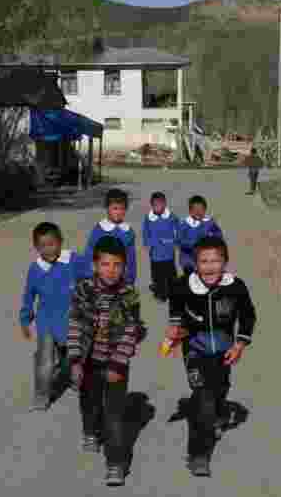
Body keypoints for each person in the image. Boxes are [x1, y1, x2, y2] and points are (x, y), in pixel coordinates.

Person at [166, 236, 256, 477]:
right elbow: (175, 303)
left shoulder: (235, 286)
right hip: (195, 350)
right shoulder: (184, 285)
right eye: (203, 261)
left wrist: (239, 344)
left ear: (225, 261)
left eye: (215, 261)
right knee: (203, 399)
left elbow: (248, 315)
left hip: (224, 352)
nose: (209, 266)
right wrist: (175, 326)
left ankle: (219, 411)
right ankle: (199, 454)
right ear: (195, 263)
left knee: (220, 389)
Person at [68, 236, 147, 487]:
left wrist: (117, 365)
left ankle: (115, 463)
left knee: (114, 415)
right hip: (89, 361)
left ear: (124, 267)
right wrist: (75, 360)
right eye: (105, 264)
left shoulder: (129, 294)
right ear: (94, 265)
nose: (111, 270)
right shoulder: (84, 291)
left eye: (117, 265)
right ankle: (90, 431)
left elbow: (131, 331)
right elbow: (75, 326)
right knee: (89, 401)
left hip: (116, 365)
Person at [18, 222, 92, 411]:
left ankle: (76, 379)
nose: (48, 249)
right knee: (45, 361)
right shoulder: (36, 269)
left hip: (74, 321)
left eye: (52, 244)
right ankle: (42, 397)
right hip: (47, 324)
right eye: (42, 246)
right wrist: (25, 319)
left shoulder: (73, 260)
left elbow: (92, 277)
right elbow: (28, 296)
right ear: (36, 248)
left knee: (76, 356)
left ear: (60, 242)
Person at [84, 188, 138, 286]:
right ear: (107, 208)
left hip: (122, 280)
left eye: (122, 209)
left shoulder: (128, 231)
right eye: (115, 208)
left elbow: (131, 258)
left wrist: (131, 279)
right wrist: (89, 277)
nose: (118, 212)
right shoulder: (99, 230)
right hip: (102, 280)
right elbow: (89, 255)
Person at [142, 191, 179, 302]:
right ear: (152, 205)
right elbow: (145, 232)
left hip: (168, 252)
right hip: (155, 253)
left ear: (165, 204)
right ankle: (160, 293)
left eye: (160, 204)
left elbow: (178, 229)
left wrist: (176, 242)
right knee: (157, 275)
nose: (158, 207)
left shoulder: (171, 217)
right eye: (155, 205)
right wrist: (147, 243)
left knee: (170, 273)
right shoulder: (148, 218)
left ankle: (173, 291)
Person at [177, 195, 223, 276]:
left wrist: (213, 239)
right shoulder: (184, 224)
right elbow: (180, 240)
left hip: (205, 259)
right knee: (191, 279)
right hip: (188, 260)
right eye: (195, 210)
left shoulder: (209, 223)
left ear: (205, 210)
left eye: (201, 210)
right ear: (190, 211)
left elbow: (218, 234)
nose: (198, 212)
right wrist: (194, 243)